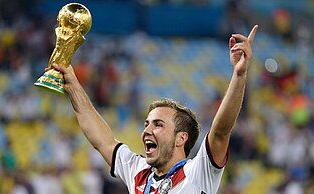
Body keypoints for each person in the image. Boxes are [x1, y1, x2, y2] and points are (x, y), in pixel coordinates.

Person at [50, 25, 258, 194]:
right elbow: (102, 140)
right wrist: (73, 86)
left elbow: (221, 131)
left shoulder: (198, 172)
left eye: (158, 125)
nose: (147, 131)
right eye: (147, 124)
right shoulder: (139, 171)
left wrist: (239, 76)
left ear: (181, 138)